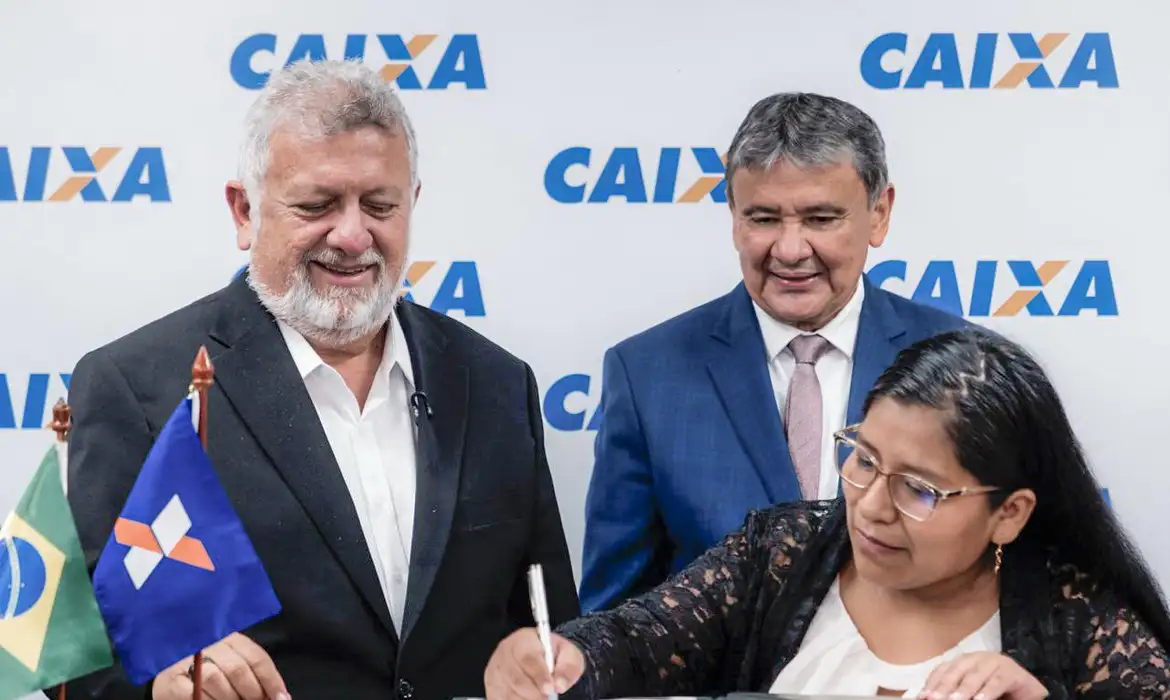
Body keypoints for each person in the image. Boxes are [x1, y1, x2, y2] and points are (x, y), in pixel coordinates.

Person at [63, 59, 579, 700]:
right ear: (244, 211)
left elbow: (549, 629)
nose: (353, 235)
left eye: (380, 206)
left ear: (412, 204)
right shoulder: (138, 387)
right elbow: (78, 655)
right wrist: (164, 682)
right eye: (317, 205)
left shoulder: (496, 382)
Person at [487, 328, 1170, 699]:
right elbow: (641, 639)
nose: (870, 508)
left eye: (919, 490)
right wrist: (565, 657)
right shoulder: (782, 553)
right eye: (863, 459)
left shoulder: (1082, 621)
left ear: (1009, 514)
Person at [579, 92, 972, 612]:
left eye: (820, 219)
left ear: (879, 214)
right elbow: (612, 621)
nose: (789, 250)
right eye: (763, 219)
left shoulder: (968, 364)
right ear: (733, 216)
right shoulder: (647, 374)